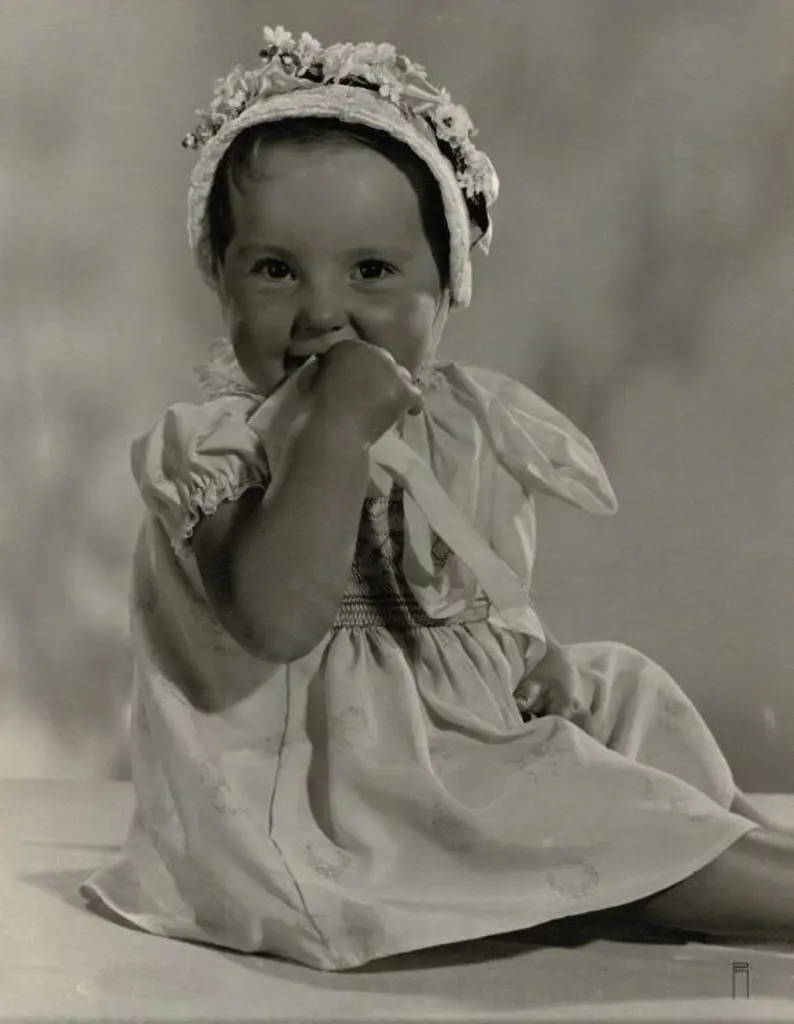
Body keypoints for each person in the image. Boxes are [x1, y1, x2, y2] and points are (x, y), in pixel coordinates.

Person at [81, 26, 794, 971]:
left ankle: (742, 860)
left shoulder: (453, 424)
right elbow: (275, 620)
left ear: (448, 285)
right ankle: (729, 876)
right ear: (219, 277)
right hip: (320, 797)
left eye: (372, 271)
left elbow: (471, 593)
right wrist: (334, 429)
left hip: (443, 730)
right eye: (275, 269)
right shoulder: (217, 446)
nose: (322, 310)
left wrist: (527, 661)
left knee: (622, 689)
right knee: (587, 799)